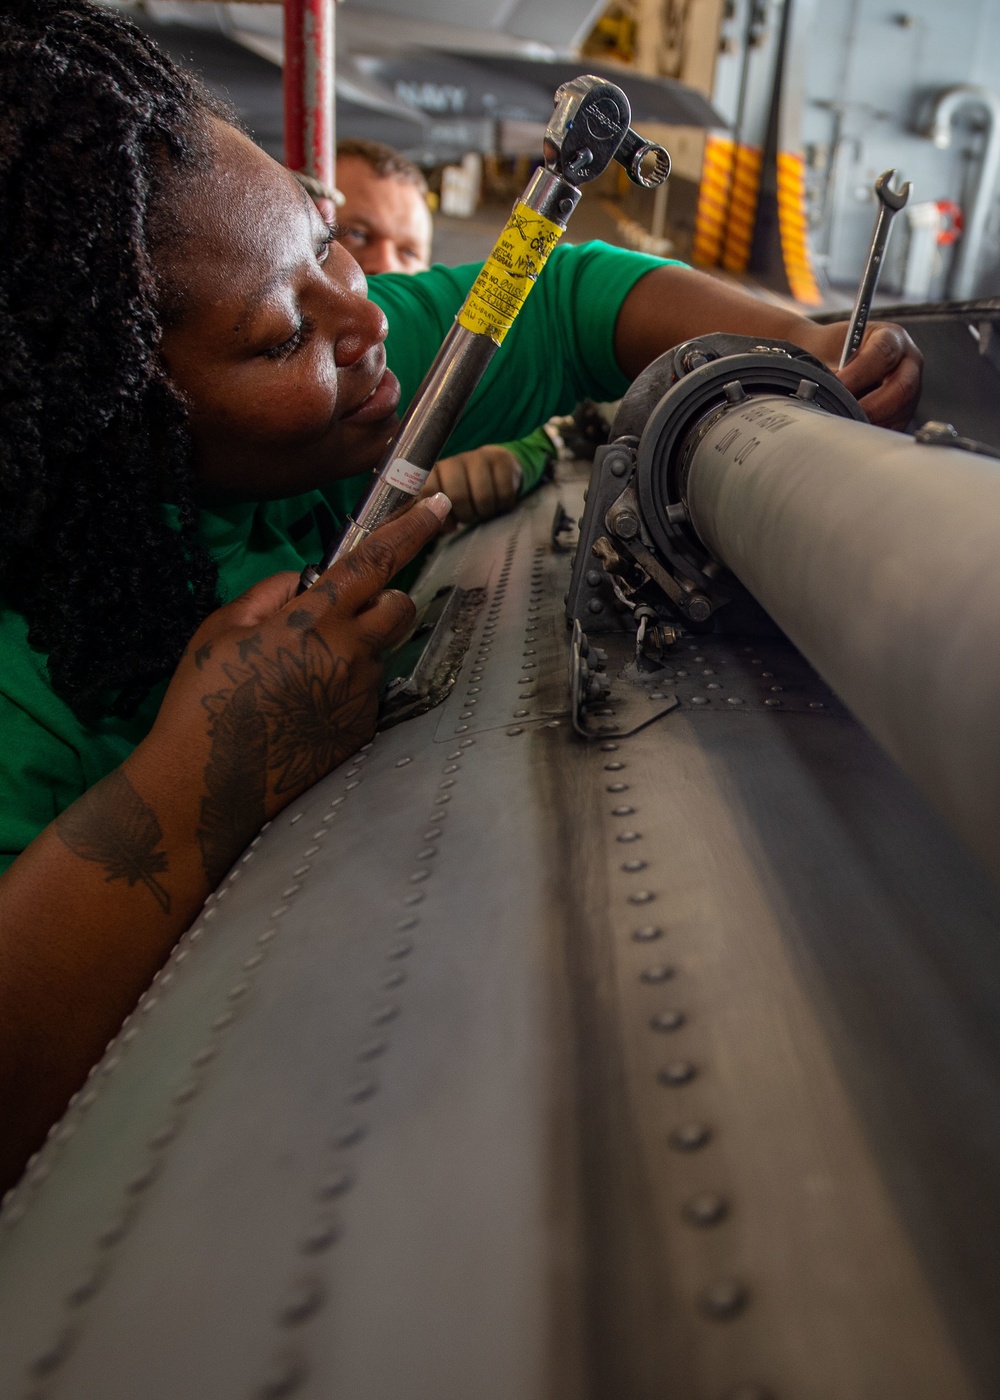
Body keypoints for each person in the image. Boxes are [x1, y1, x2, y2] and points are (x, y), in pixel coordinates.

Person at [0, 0, 920, 1190]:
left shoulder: (352, 373)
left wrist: (790, 347)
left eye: (325, 238)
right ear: (114, 426)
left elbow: (570, 292)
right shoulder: (27, 681)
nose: (364, 313)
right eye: (284, 337)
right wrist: (193, 788)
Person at [335, 136, 556, 525]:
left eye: (408, 252)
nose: (386, 265)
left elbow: (530, 428)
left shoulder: (440, 370)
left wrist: (510, 457)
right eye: (357, 235)